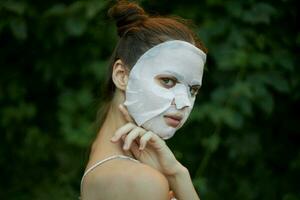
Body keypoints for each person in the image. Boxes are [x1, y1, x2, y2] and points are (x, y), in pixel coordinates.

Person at [80, 1, 207, 199]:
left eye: (192, 90)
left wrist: (177, 174)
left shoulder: (107, 163)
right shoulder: (140, 180)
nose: (185, 103)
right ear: (122, 76)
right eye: (167, 81)